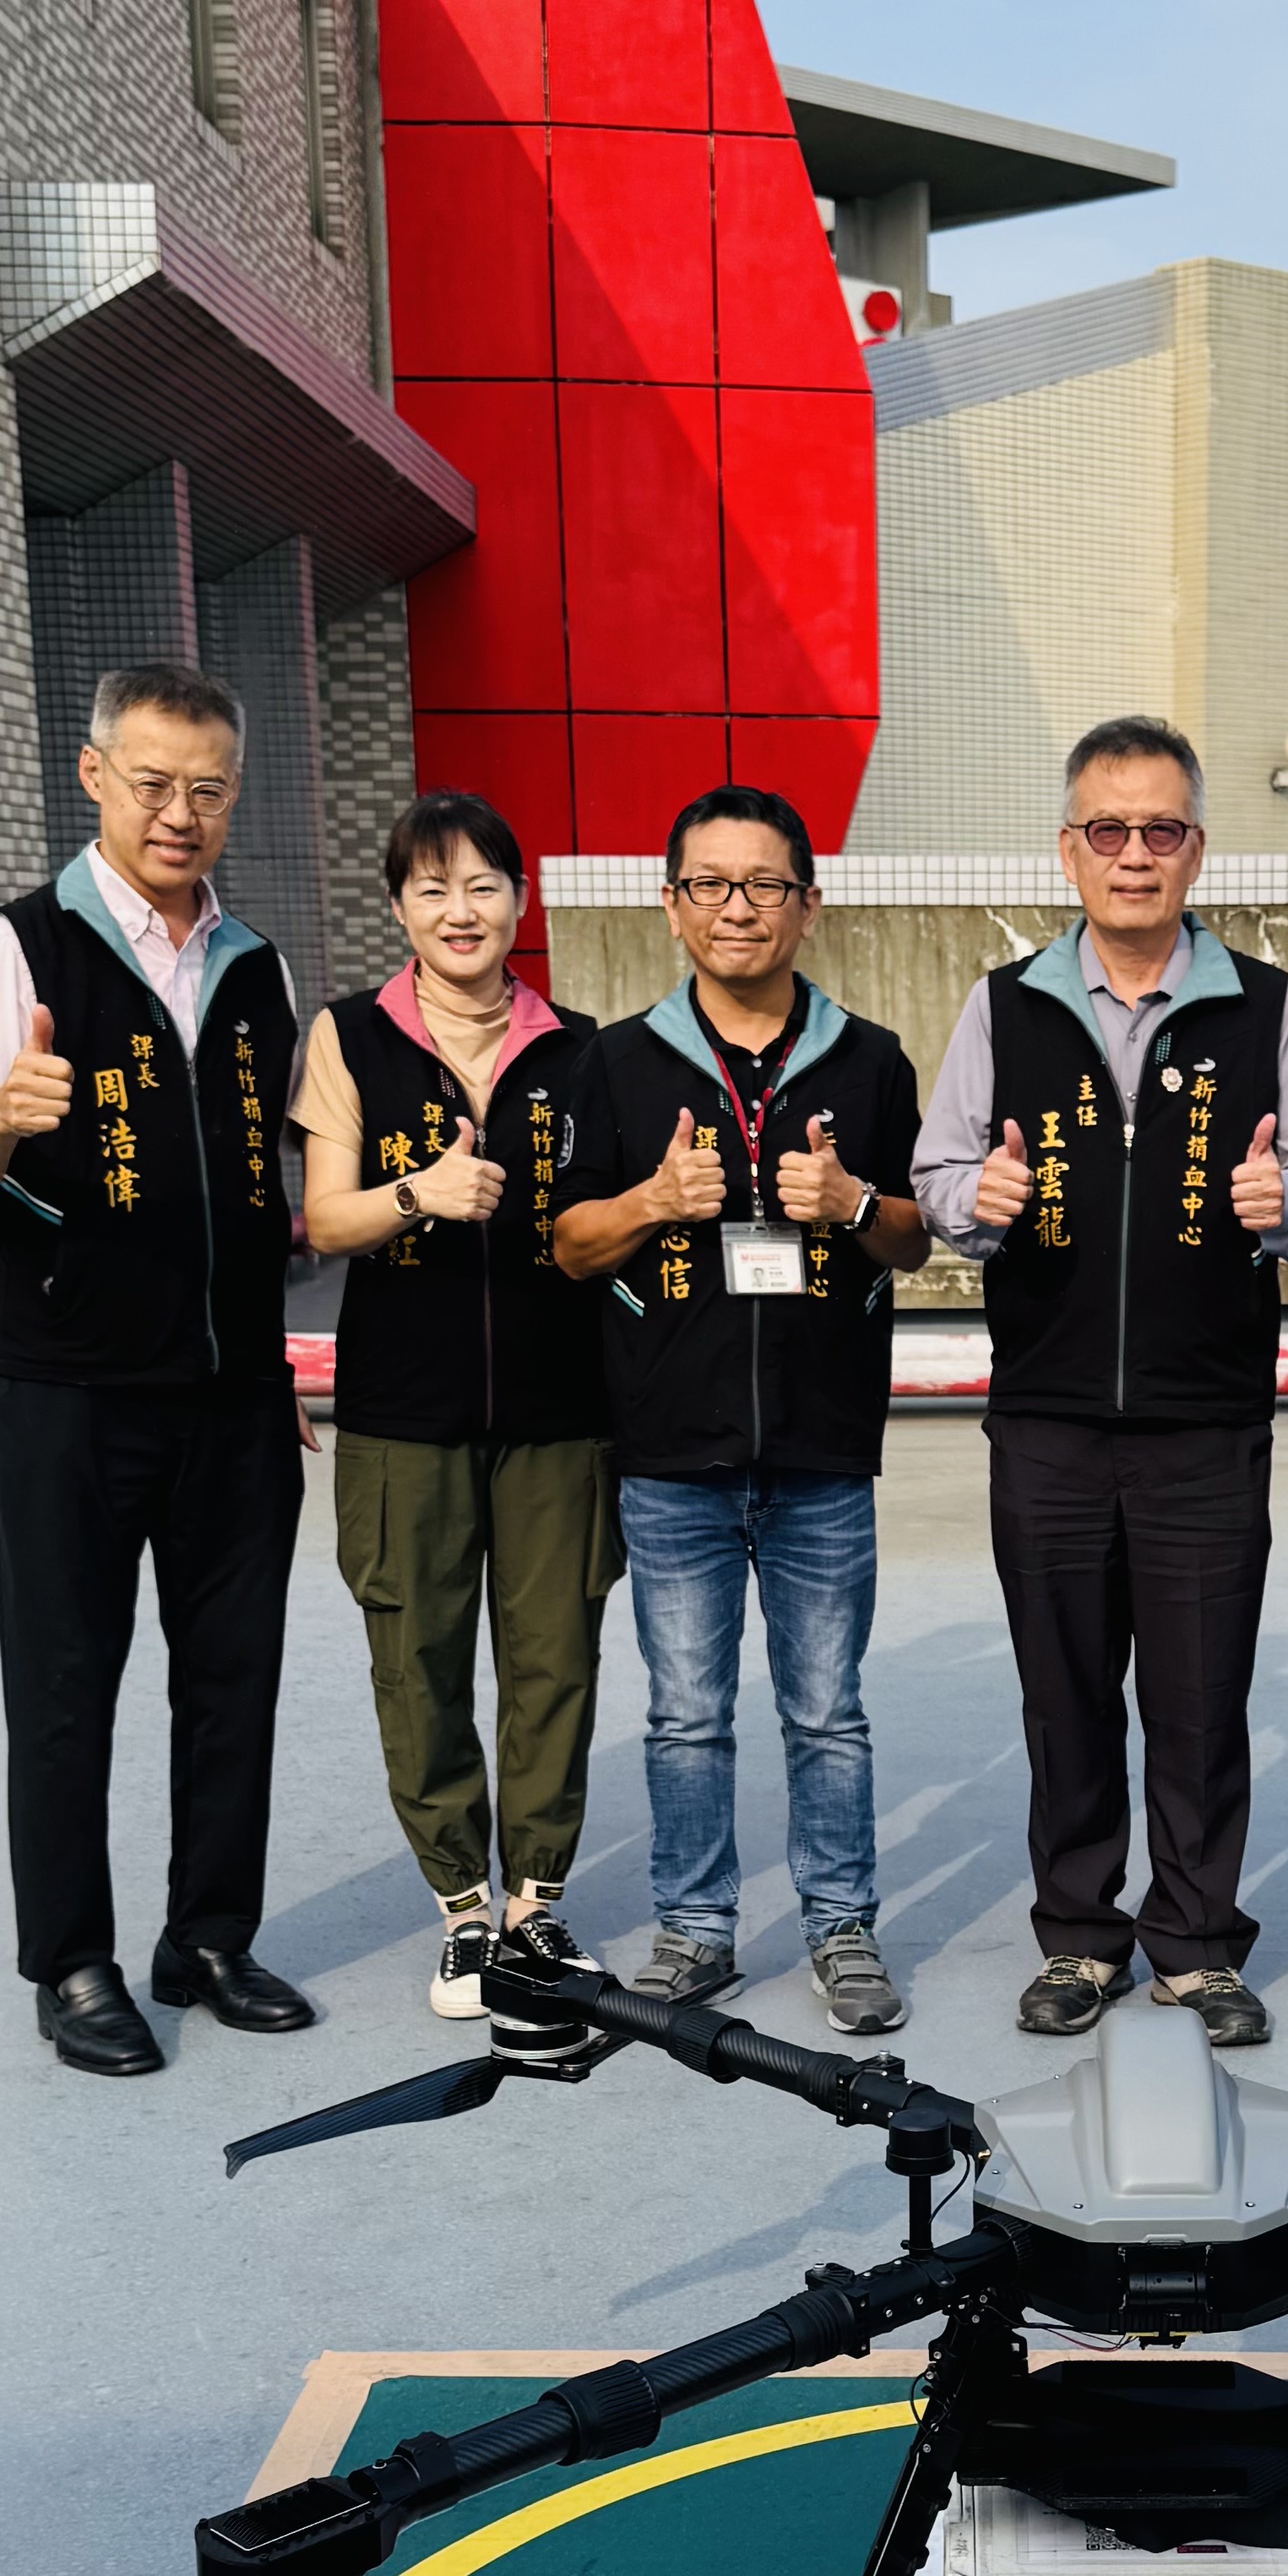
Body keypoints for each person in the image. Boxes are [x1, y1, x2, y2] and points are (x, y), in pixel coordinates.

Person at [910, 716, 1288, 2045]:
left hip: (1205, 1418)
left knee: (1200, 1695)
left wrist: (1286, 1201)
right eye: (1109, 830)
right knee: (1064, 1690)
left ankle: (1198, 1942)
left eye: (1162, 830)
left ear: (1197, 850)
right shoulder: (1003, 1003)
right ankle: (1082, 1937)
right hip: (1044, 1416)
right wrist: (974, 1201)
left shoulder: (1268, 1004)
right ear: (1070, 850)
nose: (1135, 855)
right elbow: (937, 1177)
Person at [0, 659, 317, 2076]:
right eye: (153, 784)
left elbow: (260, 1190)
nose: (180, 814)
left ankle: (206, 1937)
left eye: (207, 790)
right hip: (69, 1392)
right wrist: (4, 1117)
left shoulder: (255, 966)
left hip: (233, 1395)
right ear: (94, 778)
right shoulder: (18, 951)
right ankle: (71, 1960)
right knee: (68, 1681)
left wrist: (270, 1367)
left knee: (233, 1678)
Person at [550, 786, 926, 2032]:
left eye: (764, 884)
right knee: (683, 1715)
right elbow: (567, 1244)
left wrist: (853, 1200)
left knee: (828, 1711)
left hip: (823, 1448)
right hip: (671, 1451)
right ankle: (696, 1929)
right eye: (709, 884)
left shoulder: (869, 1059)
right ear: (670, 906)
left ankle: (840, 1927)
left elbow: (914, 1242)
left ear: (808, 906)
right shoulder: (614, 1060)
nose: (737, 908)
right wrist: (655, 1200)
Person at [293, 790, 617, 2033]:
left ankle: (537, 1902)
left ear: (520, 902)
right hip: (402, 1415)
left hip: (559, 1411)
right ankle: (462, 1907)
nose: (459, 909)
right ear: (398, 908)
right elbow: (326, 1220)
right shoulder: (349, 1037)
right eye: (431, 888)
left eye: (482, 885)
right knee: (418, 1663)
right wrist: (418, 1192)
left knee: (554, 1663)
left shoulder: (582, 1048)